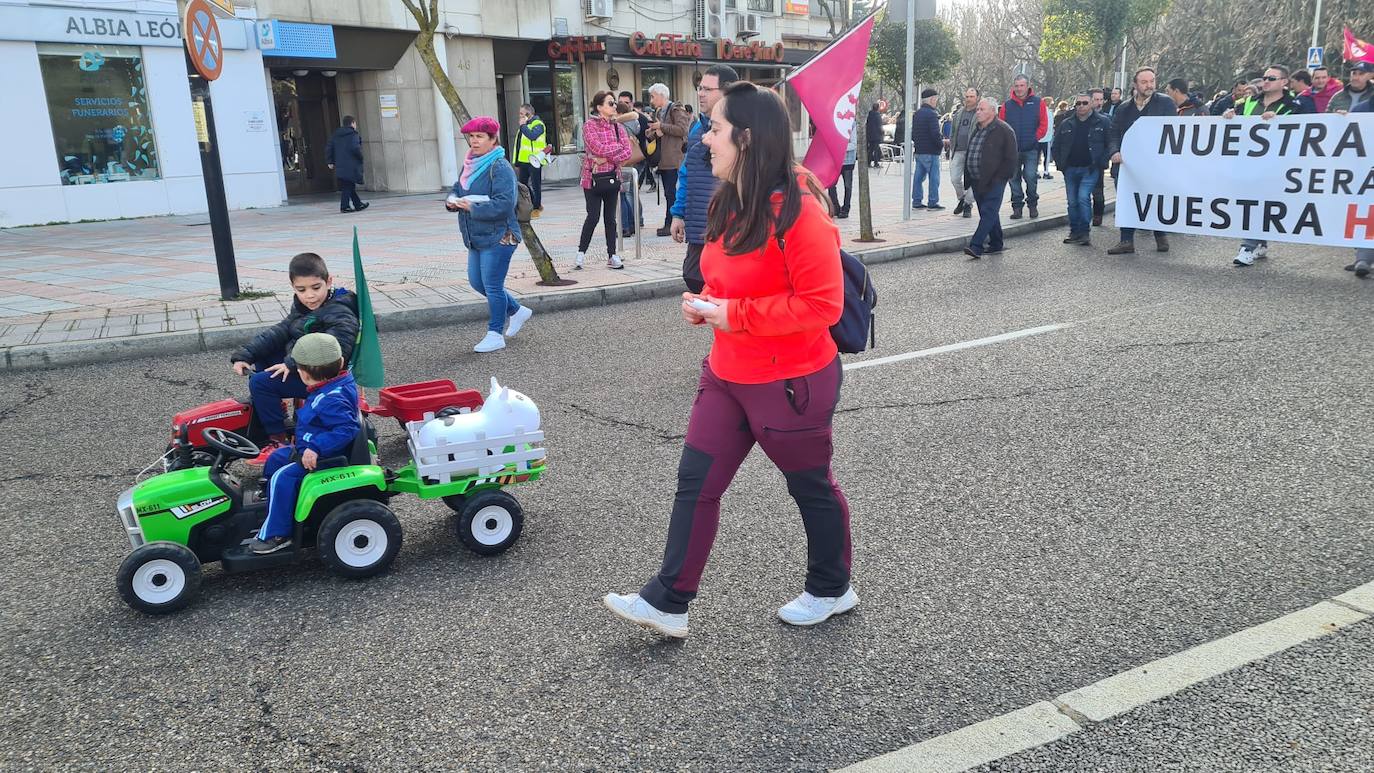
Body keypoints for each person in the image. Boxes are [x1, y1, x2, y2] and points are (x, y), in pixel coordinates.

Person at [603, 81, 852, 639]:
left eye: (714, 128)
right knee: (696, 481)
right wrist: (708, 309)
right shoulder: (729, 196)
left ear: (746, 136)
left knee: (810, 486)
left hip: (791, 380)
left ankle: (833, 588)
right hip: (727, 371)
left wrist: (733, 314)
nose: (704, 138)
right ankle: (669, 601)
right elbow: (726, 279)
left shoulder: (800, 209)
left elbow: (821, 304)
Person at [230, 252, 358, 449]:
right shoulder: (305, 306)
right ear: (293, 287)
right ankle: (273, 408)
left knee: (260, 383)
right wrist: (246, 354)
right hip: (305, 362)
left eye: (316, 287)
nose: (309, 295)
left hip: (323, 374)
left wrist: (292, 363)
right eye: (302, 289)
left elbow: (336, 348)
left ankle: (277, 437)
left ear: (329, 281)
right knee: (264, 358)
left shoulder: (339, 310)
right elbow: (281, 330)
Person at [247, 333, 360, 555]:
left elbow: (346, 428)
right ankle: (274, 500)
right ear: (340, 363)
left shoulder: (331, 399)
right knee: (276, 459)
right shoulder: (332, 386)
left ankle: (277, 534)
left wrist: (316, 447)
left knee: (283, 477)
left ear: (302, 374)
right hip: (311, 447)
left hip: (326, 455)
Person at [447, 116, 531, 352]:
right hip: (476, 235)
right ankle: (516, 310)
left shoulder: (500, 166)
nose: (474, 142)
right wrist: (452, 200)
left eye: (480, 137)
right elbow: (458, 187)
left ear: (493, 139)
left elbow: (505, 204)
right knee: (477, 281)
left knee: (492, 285)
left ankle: (495, 334)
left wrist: (472, 207)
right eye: (471, 137)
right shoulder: (471, 162)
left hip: (500, 235)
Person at [670, 63, 739, 292]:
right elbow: (686, 173)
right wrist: (678, 213)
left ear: (727, 92)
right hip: (699, 225)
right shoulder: (697, 128)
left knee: (723, 289)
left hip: (727, 229)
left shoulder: (739, 131)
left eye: (708, 89)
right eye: (699, 88)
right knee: (694, 278)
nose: (700, 94)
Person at [1224, 66, 1301, 267]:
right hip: (1249, 164)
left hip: (1276, 165)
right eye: (1264, 78)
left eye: (1271, 78)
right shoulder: (1249, 102)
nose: (1265, 81)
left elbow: (1306, 130)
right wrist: (1230, 116)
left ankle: (1247, 246)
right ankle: (1259, 243)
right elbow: (1235, 121)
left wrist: (1279, 121)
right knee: (1254, 204)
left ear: (1284, 82)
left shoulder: (1295, 105)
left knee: (1260, 204)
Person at [1106, 67, 1176, 255]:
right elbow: (1113, 132)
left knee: (1154, 198)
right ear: (1135, 85)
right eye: (1144, 82)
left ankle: (1160, 235)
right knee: (1127, 200)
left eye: (1152, 81)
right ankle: (1126, 240)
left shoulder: (1165, 103)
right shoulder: (1124, 108)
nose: (1149, 85)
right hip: (1128, 166)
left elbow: (1173, 132)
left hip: (1155, 164)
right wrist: (1114, 151)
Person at [578, 91, 633, 271]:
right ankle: (581, 253)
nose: (614, 106)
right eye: (610, 103)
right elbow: (596, 147)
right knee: (592, 216)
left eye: (614, 103)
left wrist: (606, 158)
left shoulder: (619, 127)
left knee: (611, 219)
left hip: (611, 177)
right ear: (599, 107)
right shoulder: (589, 126)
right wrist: (613, 152)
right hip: (592, 179)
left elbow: (627, 151)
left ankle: (612, 255)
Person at [1052, 92, 1111, 246]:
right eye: (1078, 103)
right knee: (1072, 202)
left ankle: (1084, 232)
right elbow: (1056, 145)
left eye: (1085, 103)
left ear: (1091, 103)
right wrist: (1061, 165)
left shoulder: (1102, 122)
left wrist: (1101, 163)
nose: (1081, 106)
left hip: (1090, 169)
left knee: (1083, 198)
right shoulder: (1066, 123)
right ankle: (1074, 231)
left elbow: (1109, 144)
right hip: (1070, 168)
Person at [963, 98, 1019, 259]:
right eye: (978, 109)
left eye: (982, 109)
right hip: (977, 179)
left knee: (988, 212)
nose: (978, 112)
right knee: (988, 213)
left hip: (995, 179)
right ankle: (996, 242)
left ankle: (976, 245)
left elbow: (1011, 158)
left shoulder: (1004, 130)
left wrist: (1000, 177)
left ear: (993, 111)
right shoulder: (978, 128)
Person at [997, 75, 1047, 219]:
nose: (1019, 89)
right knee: (1013, 178)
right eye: (1017, 86)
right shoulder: (1007, 105)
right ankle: (1017, 207)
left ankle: (1032, 204)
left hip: (1031, 148)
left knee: (1031, 176)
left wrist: (1034, 138)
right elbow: (1001, 125)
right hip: (1012, 150)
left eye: (1022, 85)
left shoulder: (1038, 103)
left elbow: (1043, 124)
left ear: (1027, 86)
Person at [645, 83, 692, 237]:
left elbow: (682, 130)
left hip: (673, 160)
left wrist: (661, 126)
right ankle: (668, 222)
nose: (651, 100)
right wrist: (652, 131)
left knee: (672, 193)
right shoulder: (660, 112)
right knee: (668, 193)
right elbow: (660, 132)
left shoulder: (676, 109)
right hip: (664, 160)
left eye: (653, 96)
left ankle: (671, 222)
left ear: (661, 95)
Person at [614, 98, 646, 238]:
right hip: (635, 160)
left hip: (625, 162)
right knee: (631, 193)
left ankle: (626, 226)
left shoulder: (620, 125)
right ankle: (634, 222)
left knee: (623, 194)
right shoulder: (634, 123)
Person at [324, 116, 368, 214]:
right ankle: (345, 206)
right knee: (348, 186)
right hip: (351, 165)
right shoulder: (353, 135)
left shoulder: (336, 134)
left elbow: (329, 147)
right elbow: (355, 148)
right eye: (355, 123)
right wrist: (360, 157)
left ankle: (358, 204)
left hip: (340, 165)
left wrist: (330, 161)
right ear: (352, 123)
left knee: (348, 185)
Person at [948, 87, 980, 218]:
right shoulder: (959, 113)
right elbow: (953, 132)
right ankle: (962, 199)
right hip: (959, 150)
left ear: (977, 98)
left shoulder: (980, 113)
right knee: (955, 178)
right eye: (967, 96)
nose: (969, 99)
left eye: (971, 97)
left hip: (974, 152)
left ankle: (967, 204)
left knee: (976, 181)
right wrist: (951, 146)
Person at [911, 88, 944, 210]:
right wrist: (941, 145)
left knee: (918, 177)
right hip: (931, 151)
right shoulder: (932, 114)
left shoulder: (917, 114)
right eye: (936, 99)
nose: (936, 101)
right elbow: (935, 134)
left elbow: (913, 133)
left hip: (919, 151)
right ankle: (933, 202)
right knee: (934, 178)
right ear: (931, 99)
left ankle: (917, 201)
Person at [512, 104, 547, 217]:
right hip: (524, 160)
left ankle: (536, 208)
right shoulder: (523, 127)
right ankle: (534, 203)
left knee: (536, 185)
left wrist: (523, 126)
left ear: (529, 114)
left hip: (535, 160)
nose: (520, 116)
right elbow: (518, 145)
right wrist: (517, 161)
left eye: (522, 114)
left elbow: (533, 136)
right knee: (523, 185)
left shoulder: (538, 124)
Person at [1088, 88, 1108, 226]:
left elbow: (1110, 141)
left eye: (1101, 99)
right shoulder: (1078, 116)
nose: (1099, 103)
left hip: (1097, 162)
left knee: (1098, 192)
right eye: (1096, 100)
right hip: (1081, 161)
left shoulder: (1106, 120)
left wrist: (1104, 159)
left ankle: (1098, 215)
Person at [827, 127, 857, 218]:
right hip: (835, 161)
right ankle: (836, 207)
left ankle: (846, 209)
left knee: (847, 186)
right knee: (831, 185)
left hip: (848, 161)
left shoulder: (853, 125)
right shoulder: (836, 122)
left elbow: (854, 144)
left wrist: (840, 146)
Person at [1039, 98, 1058, 179]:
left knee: (1037, 156)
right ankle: (1046, 172)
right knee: (1046, 156)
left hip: (1038, 137)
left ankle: (1035, 172)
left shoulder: (1038, 112)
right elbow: (1050, 125)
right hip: (1046, 138)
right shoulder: (1049, 112)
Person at [865, 102, 884, 167]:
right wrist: (882, 132)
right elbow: (879, 126)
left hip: (870, 136)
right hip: (876, 136)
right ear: (878, 108)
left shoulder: (869, 115)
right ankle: (876, 163)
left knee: (870, 150)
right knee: (876, 150)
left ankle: (868, 162)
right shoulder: (877, 115)